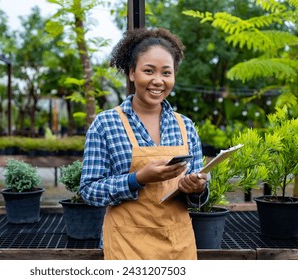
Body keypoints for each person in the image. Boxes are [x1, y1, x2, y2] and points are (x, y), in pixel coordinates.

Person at [79, 27, 209, 260]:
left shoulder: (185, 126)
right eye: (148, 71)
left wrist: (198, 188)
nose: (158, 81)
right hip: (126, 245)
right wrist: (137, 179)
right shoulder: (106, 124)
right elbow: (89, 191)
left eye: (166, 73)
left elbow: (197, 199)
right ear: (131, 73)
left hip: (177, 244)